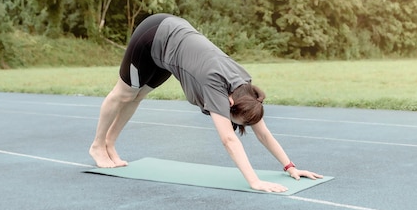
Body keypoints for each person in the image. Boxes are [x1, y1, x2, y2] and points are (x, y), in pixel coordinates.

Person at [89, 13, 322, 193]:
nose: (234, 125)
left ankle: (110, 144)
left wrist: (290, 167)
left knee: (137, 95)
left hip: (168, 53)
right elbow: (228, 139)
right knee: (124, 93)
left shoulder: (245, 90)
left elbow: (263, 134)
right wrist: (255, 181)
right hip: (153, 36)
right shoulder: (216, 87)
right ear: (229, 102)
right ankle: (98, 146)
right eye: (233, 119)